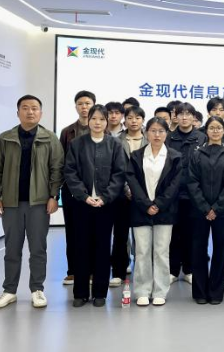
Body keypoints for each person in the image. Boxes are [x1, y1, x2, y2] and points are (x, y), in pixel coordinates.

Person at [0, 95, 63, 309]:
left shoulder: (50, 138)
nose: (30, 112)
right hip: (11, 203)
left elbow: (57, 169)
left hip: (39, 203)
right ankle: (9, 290)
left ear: (41, 112)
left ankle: (37, 289)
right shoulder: (5, 138)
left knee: (38, 249)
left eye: (34, 108)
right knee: (11, 249)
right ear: (18, 112)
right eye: (25, 108)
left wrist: (54, 196)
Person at [64, 105, 127, 307]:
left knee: (102, 247)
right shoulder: (77, 143)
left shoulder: (115, 144)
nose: (97, 122)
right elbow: (70, 172)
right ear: (88, 120)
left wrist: (105, 197)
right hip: (82, 204)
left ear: (107, 122)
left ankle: (100, 293)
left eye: (101, 119)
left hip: (105, 205)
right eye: (94, 118)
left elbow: (119, 174)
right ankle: (80, 293)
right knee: (81, 247)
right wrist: (83, 196)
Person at [127, 117, 183, 306]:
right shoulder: (136, 156)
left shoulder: (175, 156)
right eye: (153, 131)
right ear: (146, 133)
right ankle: (142, 290)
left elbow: (175, 185)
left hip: (165, 210)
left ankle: (160, 290)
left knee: (161, 252)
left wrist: (158, 204)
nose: (157, 135)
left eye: (161, 131)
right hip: (140, 210)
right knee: (142, 251)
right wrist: (145, 204)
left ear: (167, 133)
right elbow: (132, 181)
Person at [186, 116, 224, 304]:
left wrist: (216, 208)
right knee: (198, 250)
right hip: (199, 210)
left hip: (222, 211)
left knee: (220, 250)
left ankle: (216, 292)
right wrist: (204, 207)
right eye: (211, 128)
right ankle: (200, 292)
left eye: (219, 128)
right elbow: (192, 182)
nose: (215, 131)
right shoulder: (196, 153)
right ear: (206, 131)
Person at [166, 102, 207, 284]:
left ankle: (189, 269)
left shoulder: (202, 138)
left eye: (188, 114)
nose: (184, 117)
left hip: (194, 194)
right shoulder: (169, 137)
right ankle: (173, 270)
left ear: (193, 117)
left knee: (193, 234)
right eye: (180, 114)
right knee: (174, 234)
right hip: (173, 194)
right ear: (175, 116)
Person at [59, 90, 95, 286]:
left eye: (87, 103)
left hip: (95, 189)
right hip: (71, 189)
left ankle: (92, 271)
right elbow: (62, 161)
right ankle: (73, 270)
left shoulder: (101, 130)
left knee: (93, 231)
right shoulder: (67, 132)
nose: (84, 107)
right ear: (75, 107)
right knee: (72, 231)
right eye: (80, 103)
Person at [110, 106, 148, 287]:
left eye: (138, 117)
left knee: (143, 236)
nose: (134, 121)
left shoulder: (150, 139)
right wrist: (127, 188)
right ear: (125, 120)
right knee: (120, 235)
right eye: (130, 117)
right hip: (122, 195)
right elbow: (115, 168)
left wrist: (139, 190)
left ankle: (143, 273)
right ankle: (118, 271)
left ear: (143, 120)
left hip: (145, 194)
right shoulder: (116, 141)